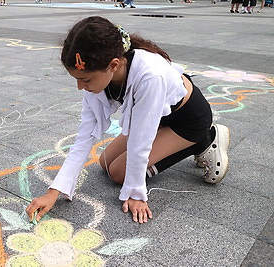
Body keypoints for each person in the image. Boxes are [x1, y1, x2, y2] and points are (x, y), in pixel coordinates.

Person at [26, 16, 230, 224]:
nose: (80, 87)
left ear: (113, 64)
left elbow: (141, 141)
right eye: (77, 79)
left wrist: (135, 193)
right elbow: (85, 135)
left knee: (118, 173)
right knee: (105, 161)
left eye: (85, 80)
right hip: (158, 117)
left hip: (188, 122)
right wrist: (54, 191)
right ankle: (176, 140)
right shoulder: (99, 75)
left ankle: (205, 140)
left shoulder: (150, 75)